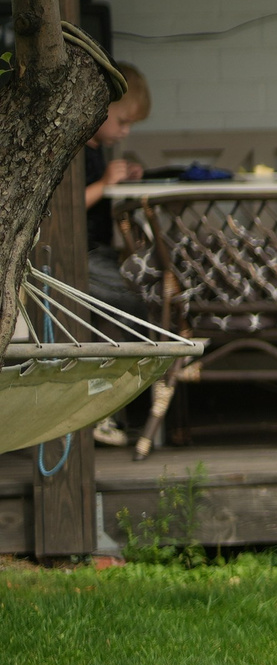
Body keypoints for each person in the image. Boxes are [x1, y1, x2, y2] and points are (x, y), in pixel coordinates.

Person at [79, 64, 152, 446]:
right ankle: (100, 407)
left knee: (139, 298)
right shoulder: (74, 149)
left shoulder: (98, 152)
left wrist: (119, 181)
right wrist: (105, 183)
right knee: (126, 301)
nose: (124, 133)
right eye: (122, 122)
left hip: (98, 251)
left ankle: (121, 408)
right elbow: (66, 207)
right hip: (74, 256)